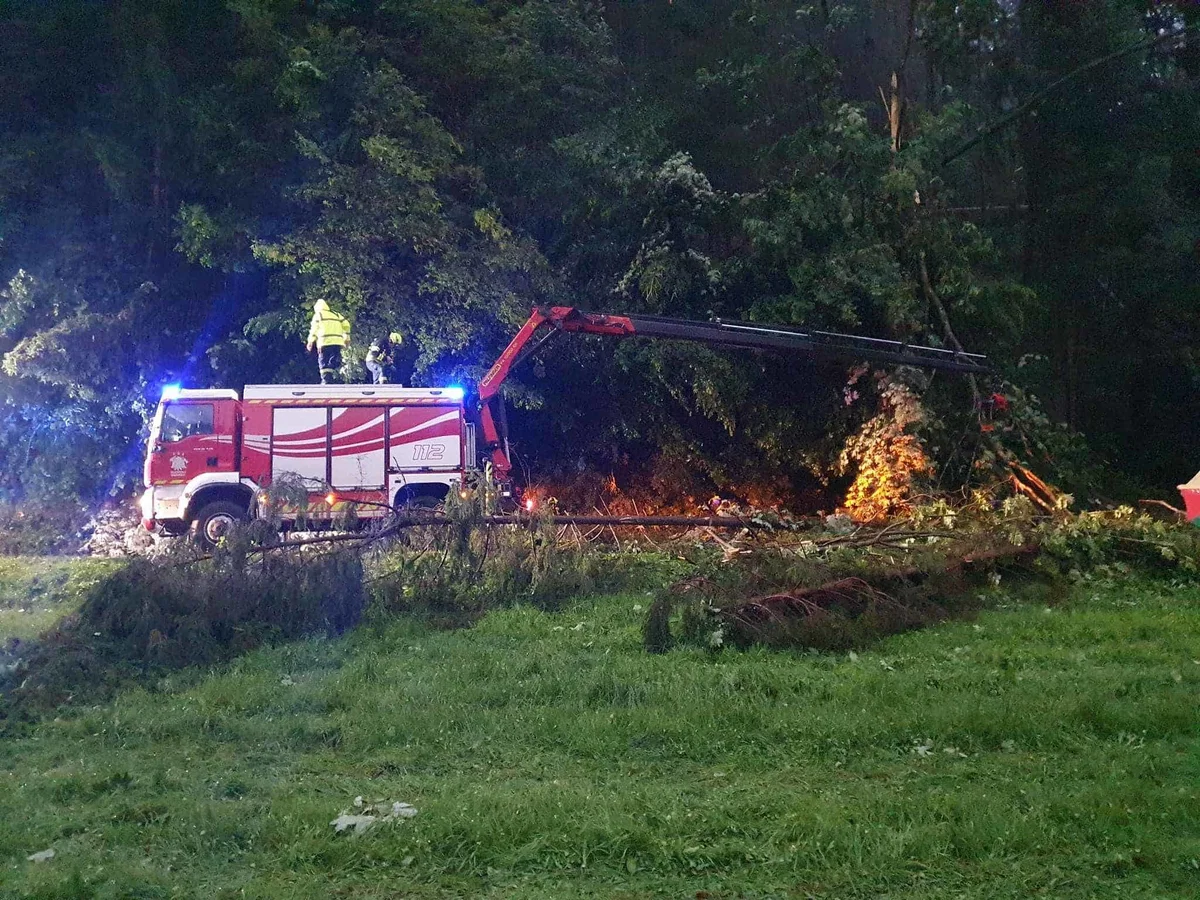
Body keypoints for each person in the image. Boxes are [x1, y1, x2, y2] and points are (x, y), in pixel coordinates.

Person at [305, 299, 351, 384]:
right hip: (337, 342)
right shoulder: (336, 314)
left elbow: (314, 329)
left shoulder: (319, 315)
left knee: (323, 360)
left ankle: (326, 380)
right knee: (332, 360)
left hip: (324, 342)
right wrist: (347, 338)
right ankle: (330, 377)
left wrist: (310, 341)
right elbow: (346, 324)